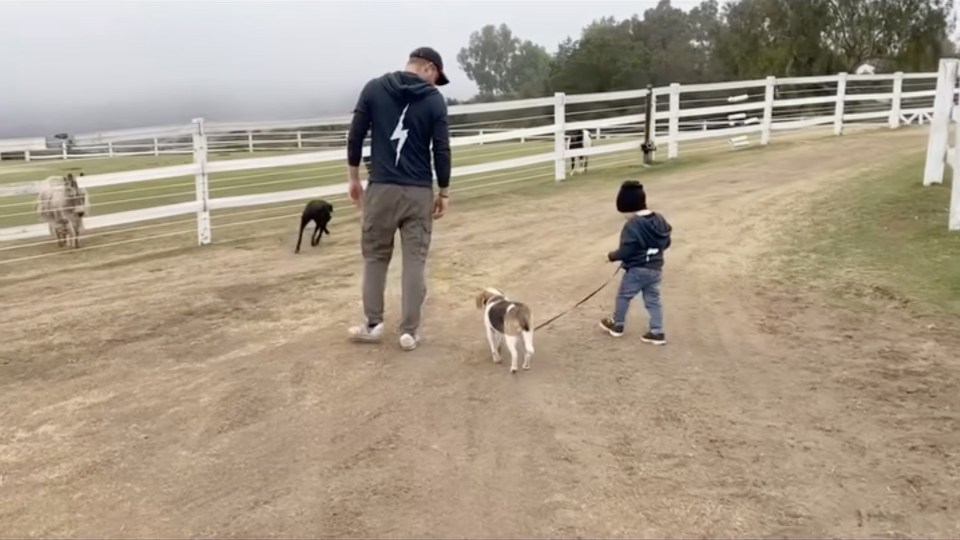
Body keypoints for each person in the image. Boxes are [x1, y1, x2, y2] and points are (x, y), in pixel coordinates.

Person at [345, 46, 452, 351]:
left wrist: (354, 178)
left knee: (376, 256)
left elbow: (355, 135)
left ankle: (373, 324)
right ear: (429, 68)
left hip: (381, 187)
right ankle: (409, 331)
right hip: (418, 190)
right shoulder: (433, 100)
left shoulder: (374, 88)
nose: (435, 85)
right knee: (414, 260)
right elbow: (441, 149)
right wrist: (443, 190)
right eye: (437, 78)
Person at [599, 180, 672, 344]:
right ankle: (657, 331)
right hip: (655, 269)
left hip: (637, 270)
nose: (624, 216)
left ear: (629, 207)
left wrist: (610, 256)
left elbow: (627, 250)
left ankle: (617, 325)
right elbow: (666, 242)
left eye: (624, 212)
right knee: (653, 299)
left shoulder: (633, 225)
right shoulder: (659, 219)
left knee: (624, 296)